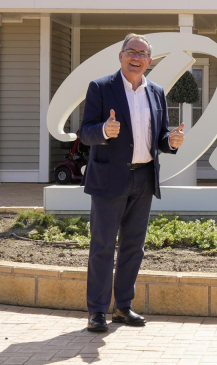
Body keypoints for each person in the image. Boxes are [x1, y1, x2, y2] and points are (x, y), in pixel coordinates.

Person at [79, 33, 185, 333]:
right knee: (102, 247)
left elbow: (160, 137)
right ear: (121, 56)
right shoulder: (101, 87)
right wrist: (103, 130)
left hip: (144, 177)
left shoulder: (157, 92)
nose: (136, 57)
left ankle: (123, 307)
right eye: (131, 51)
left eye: (142, 53)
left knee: (133, 247)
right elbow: (85, 132)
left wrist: (172, 141)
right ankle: (97, 311)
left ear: (149, 61)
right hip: (109, 179)